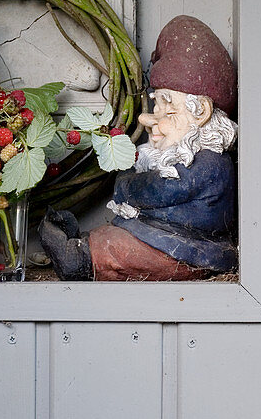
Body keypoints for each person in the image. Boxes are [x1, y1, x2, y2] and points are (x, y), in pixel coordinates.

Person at [38, 15, 239, 281]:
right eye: (156, 106)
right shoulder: (185, 156)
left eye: (167, 109)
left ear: (200, 112)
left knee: (117, 250)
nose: (147, 120)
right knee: (111, 238)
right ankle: (79, 244)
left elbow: (160, 190)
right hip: (160, 236)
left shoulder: (210, 164)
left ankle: (79, 259)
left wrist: (125, 183)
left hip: (187, 250)